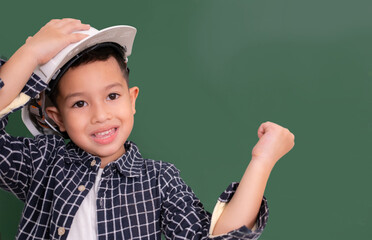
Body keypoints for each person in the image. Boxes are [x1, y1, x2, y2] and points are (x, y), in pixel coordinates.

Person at [0, 18, 294, 240]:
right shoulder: (41, 162)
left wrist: (262, 161)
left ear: (132, 100)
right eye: (79, 104)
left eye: (112, 96)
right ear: (58, 118)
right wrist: (30, 55)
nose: (101, 115)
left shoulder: (159, 180)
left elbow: (217, 236)